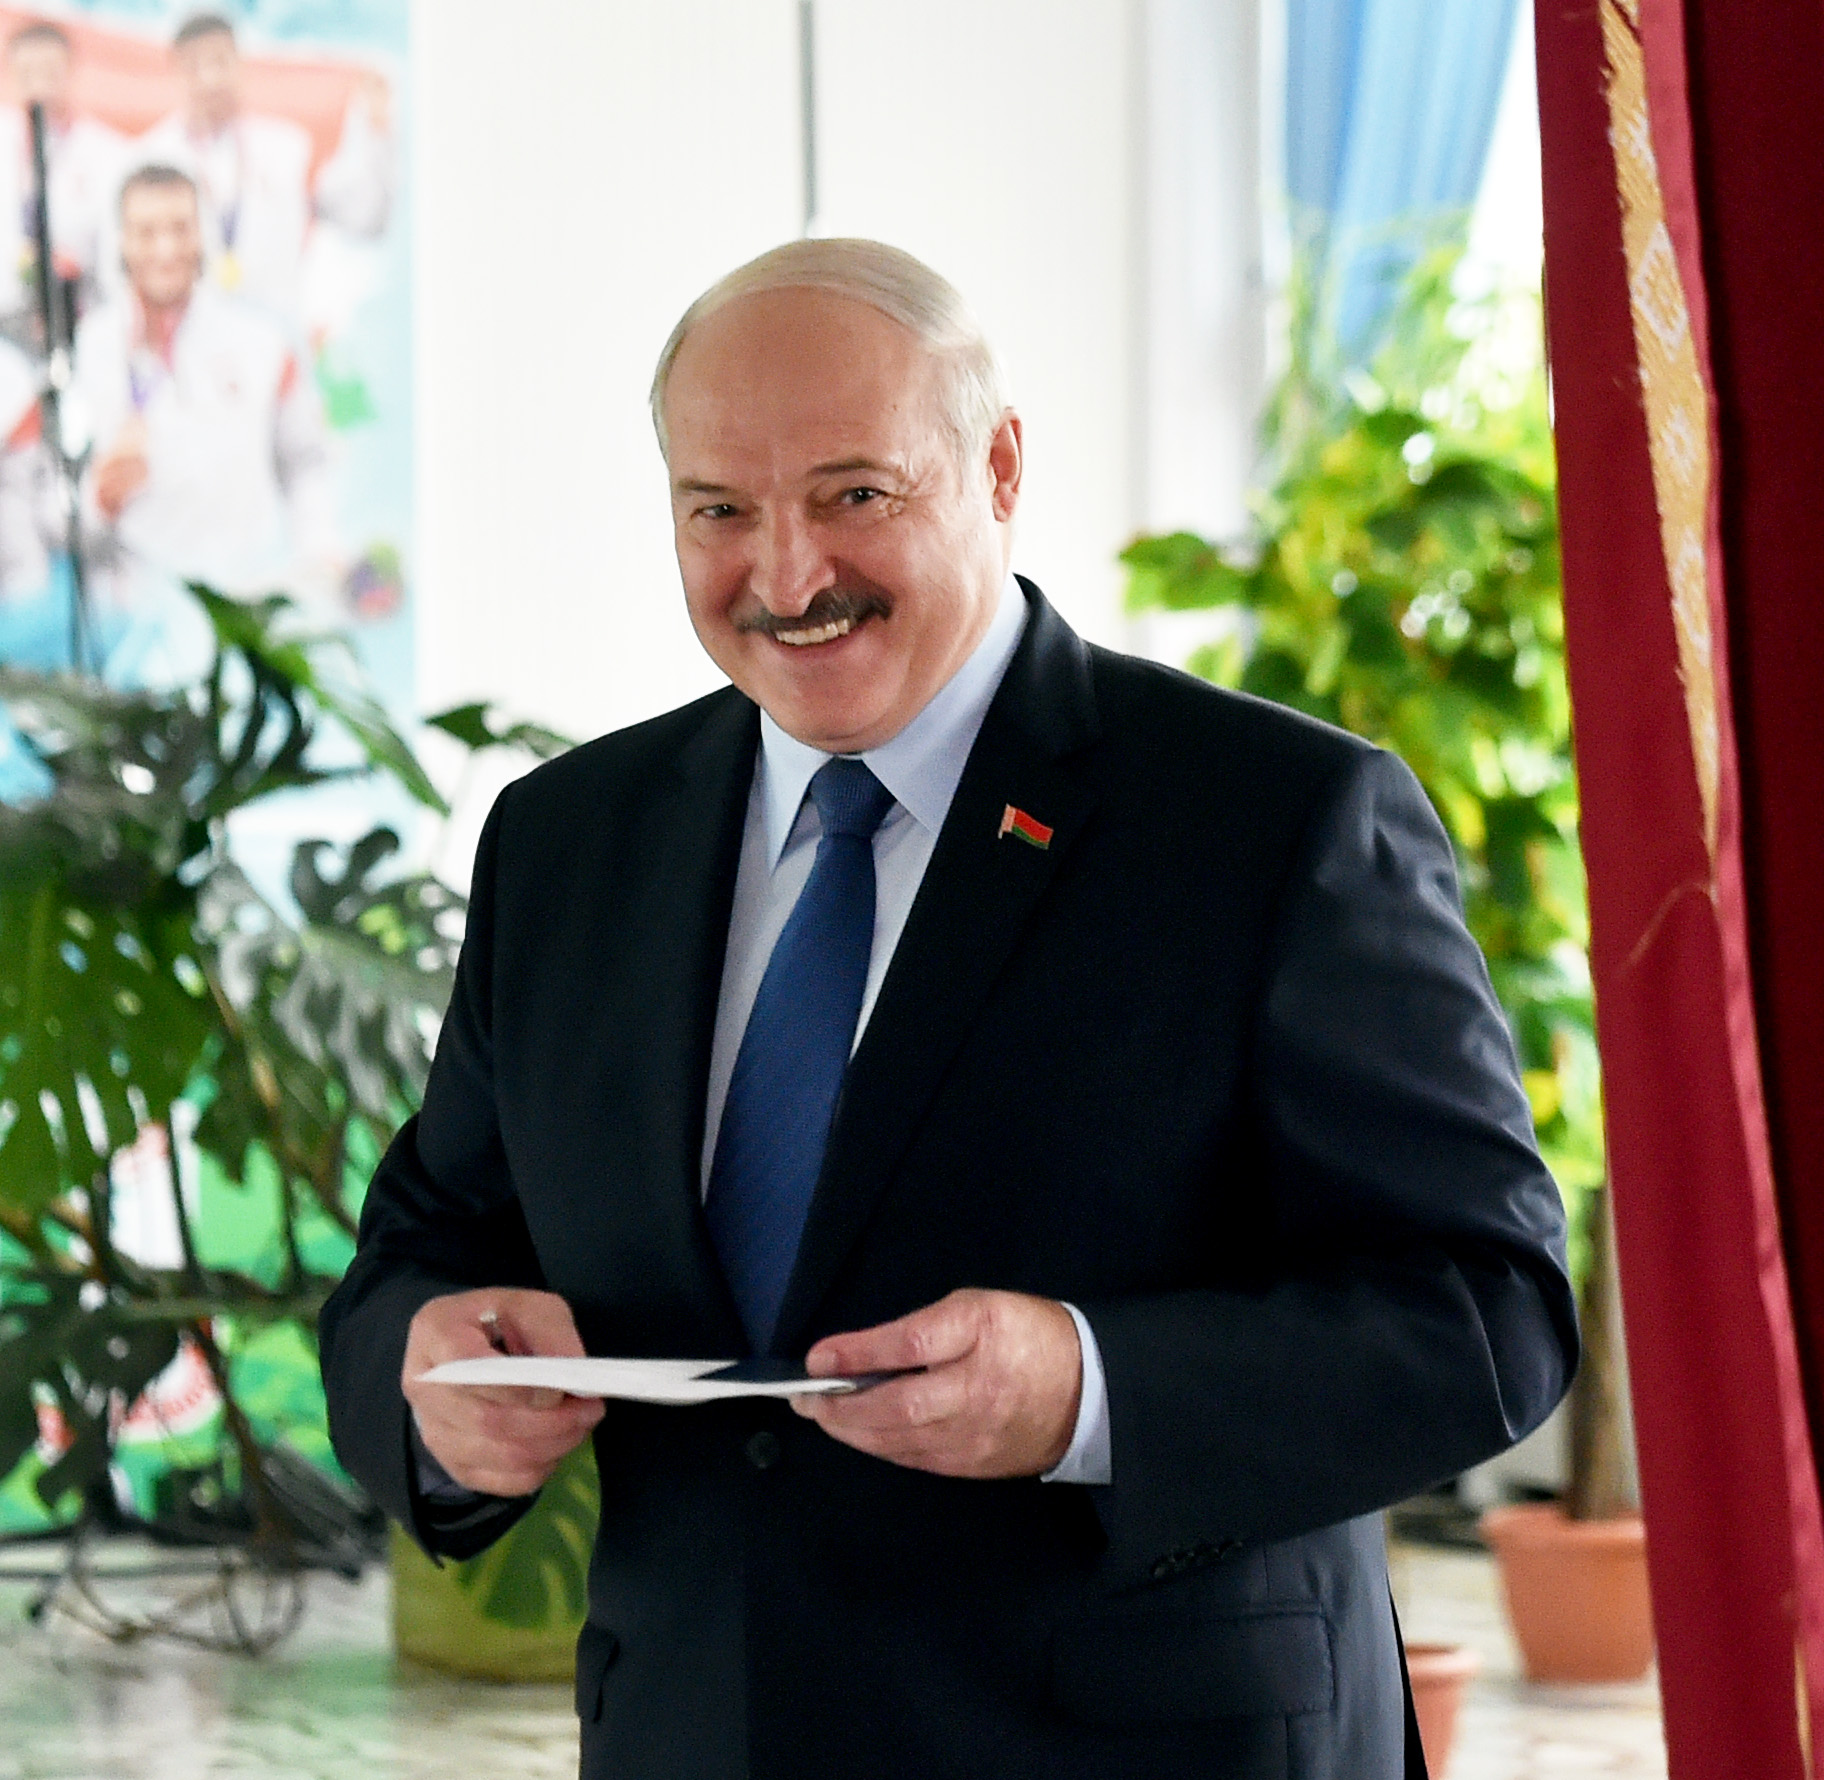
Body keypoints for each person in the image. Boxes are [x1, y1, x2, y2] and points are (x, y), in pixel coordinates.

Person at [317, 239, 1577, 1780]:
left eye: (855, 494)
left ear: (996, 468)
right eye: (720, 509)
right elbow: (422, 1251)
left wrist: (1086, 1393)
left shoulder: (1272, 820)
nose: (784, 575)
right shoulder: (570, 843)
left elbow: (1486, 1309)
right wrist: (433, 1387)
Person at [71, 163, 335, 622]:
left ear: (202, 235)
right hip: (140, 610)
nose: (166, 248)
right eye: (146, 231)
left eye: (179, 228)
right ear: (122, 242)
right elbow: (58, 502)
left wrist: (318, 551)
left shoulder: (261, 342)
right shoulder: (88, 347)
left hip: (247, 598)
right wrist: (100, 497)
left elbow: (306, 461)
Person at [132, 11, 391, 342]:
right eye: (195, 65)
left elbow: (364, 219)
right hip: (184, 350)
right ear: (175, 72)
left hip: (277, 345)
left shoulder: (288, 147)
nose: (210, 78)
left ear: (240, 64)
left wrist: (373, 133)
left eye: (220, 61)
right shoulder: (146, 158)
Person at [0, 20, 124, 348]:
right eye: (27, 74)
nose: (39, 86)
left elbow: (115, 262)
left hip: (79, 319)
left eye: (49, 72)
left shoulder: (109, 153)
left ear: (71, 71)